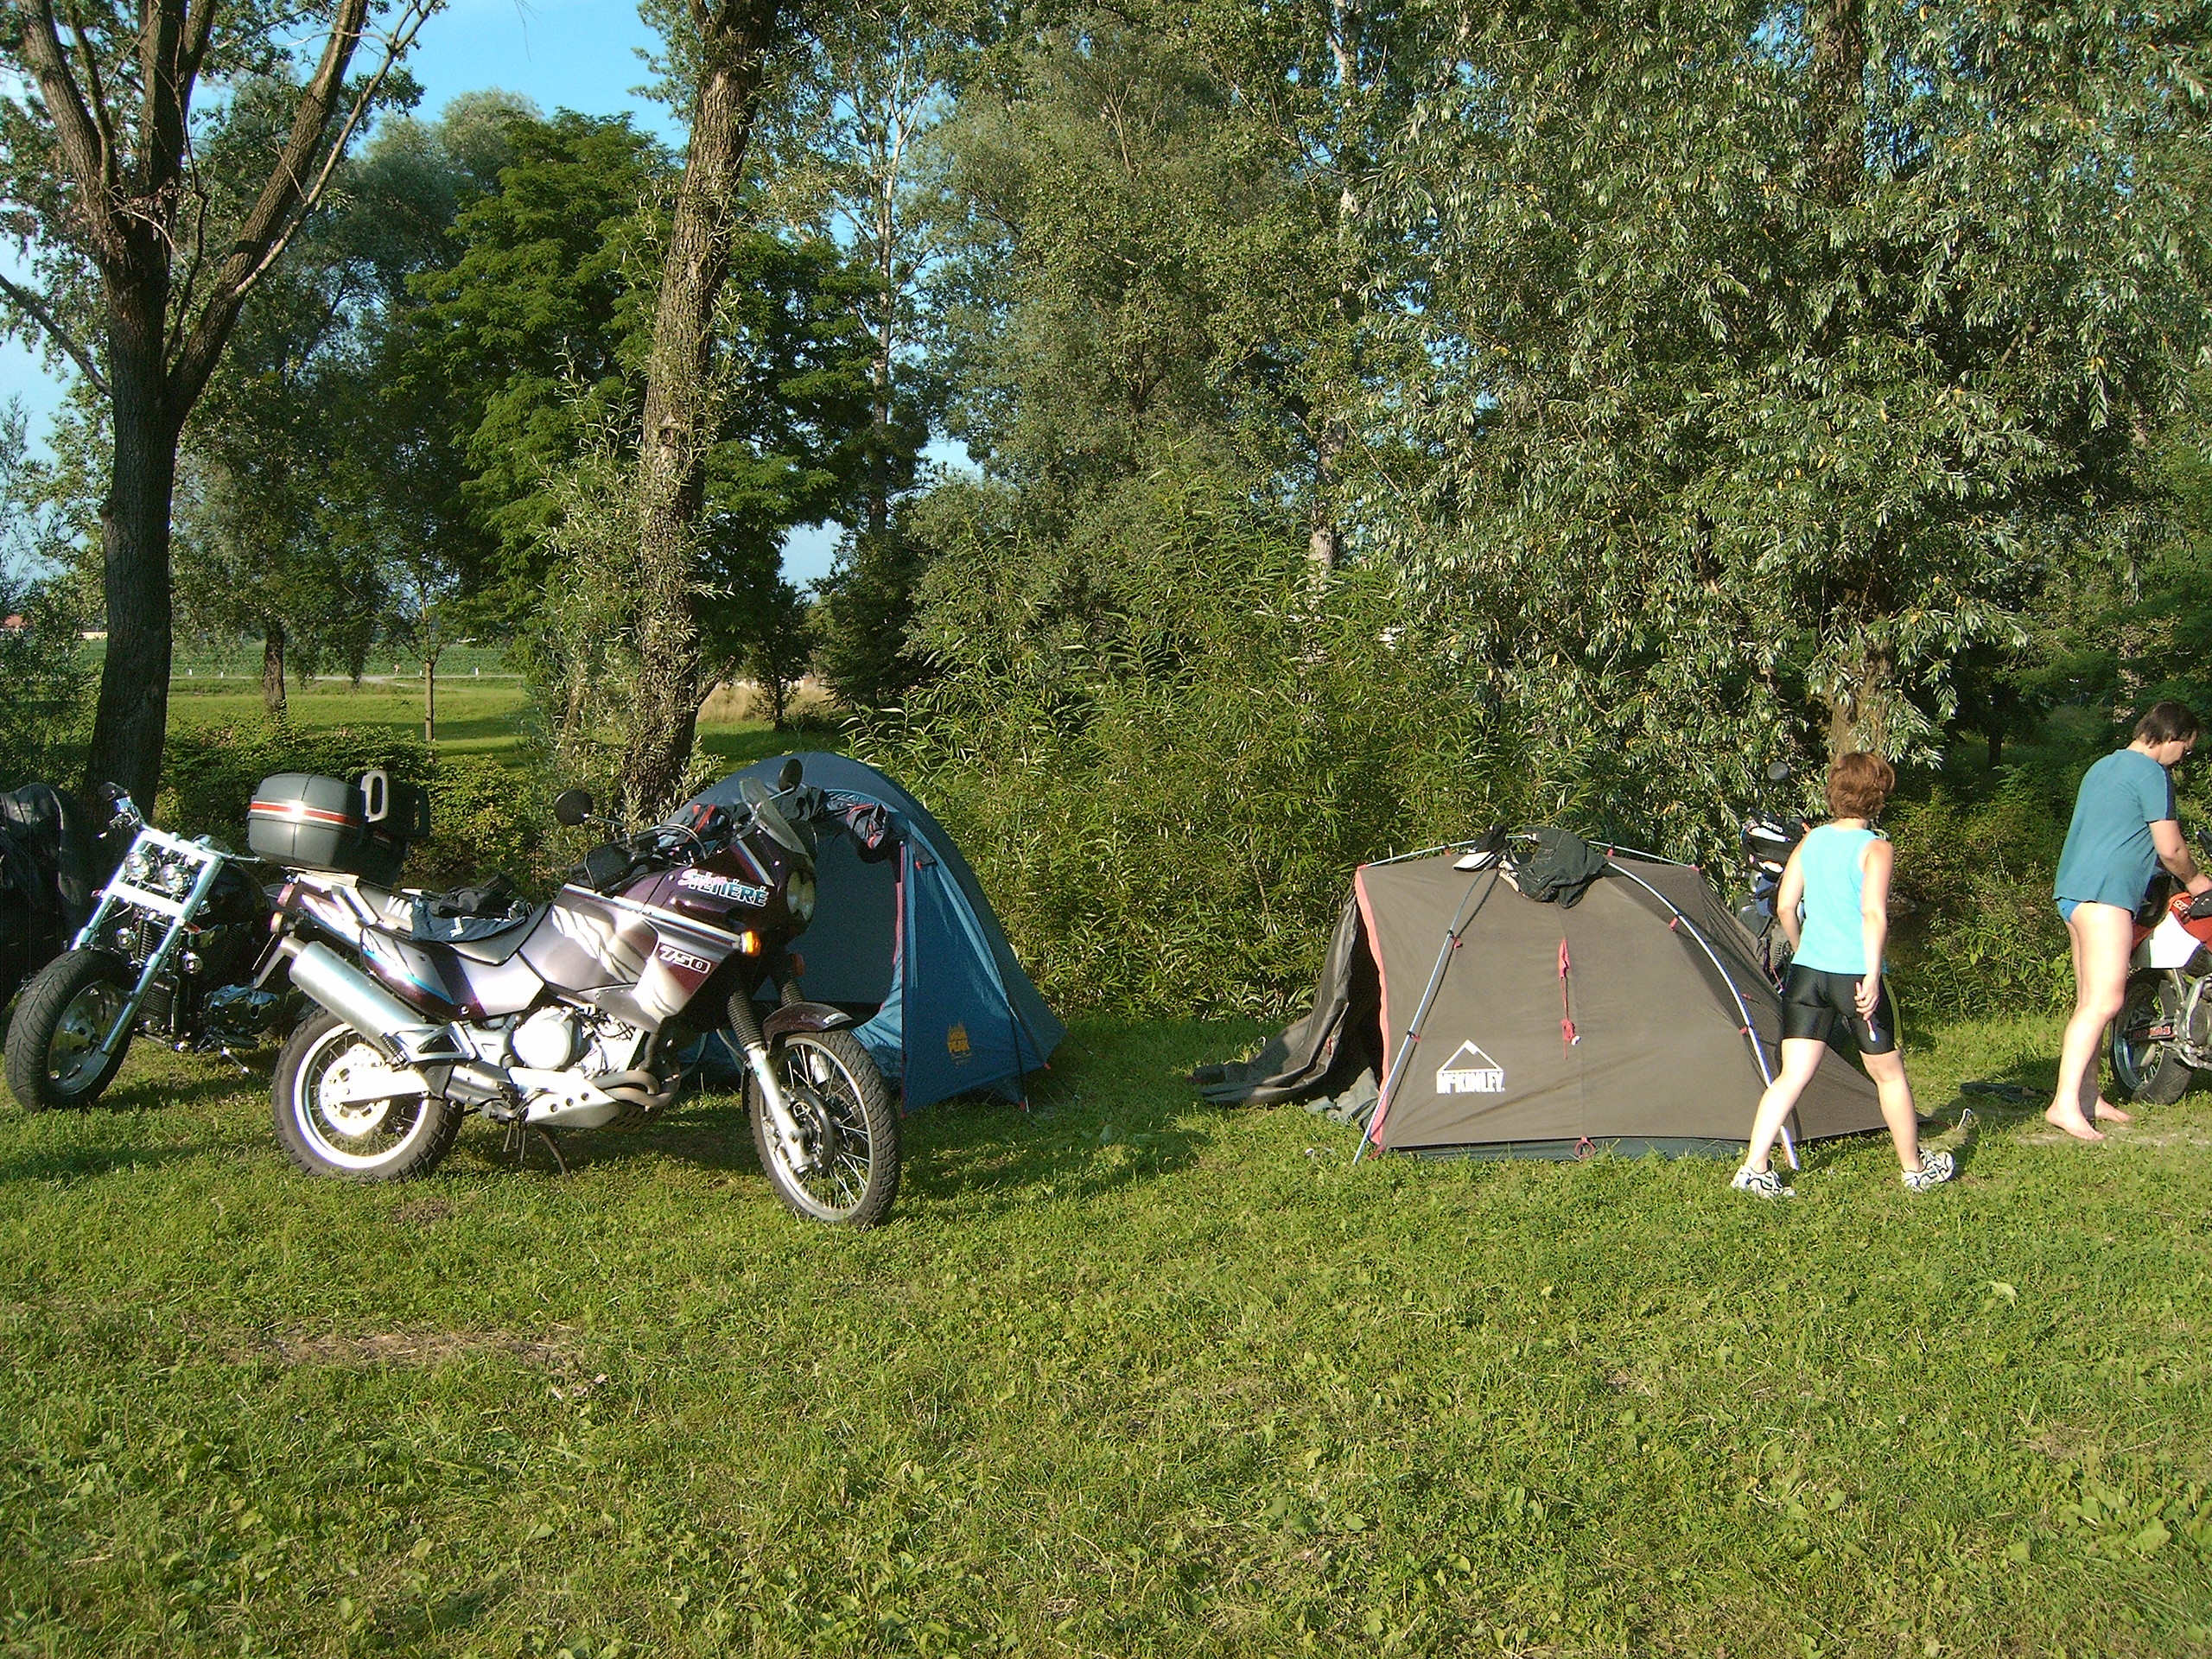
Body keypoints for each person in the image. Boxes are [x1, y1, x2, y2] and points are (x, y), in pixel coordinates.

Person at [1732, 752, 1955, 1198]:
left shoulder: (1811, 841)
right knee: (1889, 1074)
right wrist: (1872, 975)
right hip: (1854, 975)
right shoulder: (1877, 848)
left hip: (1808, 974)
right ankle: (1914, 1169)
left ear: (1834, 793)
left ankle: (1753, 1167)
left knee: (1792, 1076)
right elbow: (1873, 913)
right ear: (1879, 796)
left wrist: (1802, 951)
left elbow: (1784, 906)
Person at [2046, 701, 2210, 1141]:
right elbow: (2171, 848)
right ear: (2172, 737)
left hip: (2073, 890)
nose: (2181, 760)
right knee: (2103, 1002)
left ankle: (2088, 1096)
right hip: (2107, 895)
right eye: (2185, 750)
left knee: (2090, 1001)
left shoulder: (2102, 767)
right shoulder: (2151, 773)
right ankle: (2064, 1104)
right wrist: (2197, 882)